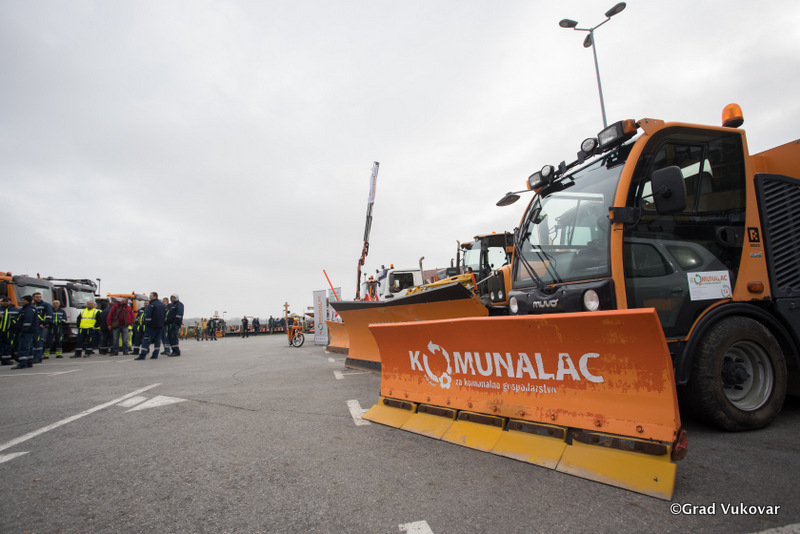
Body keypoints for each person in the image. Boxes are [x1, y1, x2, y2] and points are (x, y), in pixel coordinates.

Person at [135, 292, 167, 360]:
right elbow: (165, 315)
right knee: (157, 340)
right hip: (160, 326)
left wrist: (147, 324)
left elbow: (148, 316)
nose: (150, 297)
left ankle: (142, 355)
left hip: (151, 326)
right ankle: (155, 354)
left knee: (146, 340)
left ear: (155, 296)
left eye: (151, 296)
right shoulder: (163, 305)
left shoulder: (151, 305)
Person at [12, 295, 39, 369]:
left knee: (24, 346)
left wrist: (24, 329)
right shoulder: (26, 309)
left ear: (28, 301)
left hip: (26, 331)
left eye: (24, 300)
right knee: (29, 346)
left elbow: (28, 320)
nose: (22, 301)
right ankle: (29, 362)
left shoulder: (29, 309)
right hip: (28, 331)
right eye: (22, 300)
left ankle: (22, 363)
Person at [32, 292, 53, 361]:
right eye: (37, 297)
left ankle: (38, 357)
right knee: (33, 341)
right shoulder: (32, 305)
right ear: (33, 298)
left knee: (39, 341)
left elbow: (49, 315)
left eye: (40, 297)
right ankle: (34, 356)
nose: (39, 298)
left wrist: (44, 324)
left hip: (40, 326)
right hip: (33, 326)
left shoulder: (45, 305)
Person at [0, 297, 20, 365]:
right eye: (4, 301)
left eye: (7, 301)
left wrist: (15, 326)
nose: (5, 303)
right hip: (1, 330)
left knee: (8, 345)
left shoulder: (16, 310)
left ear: (10, 302)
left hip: (10, 331)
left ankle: (7, 359)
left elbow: (19, 320)